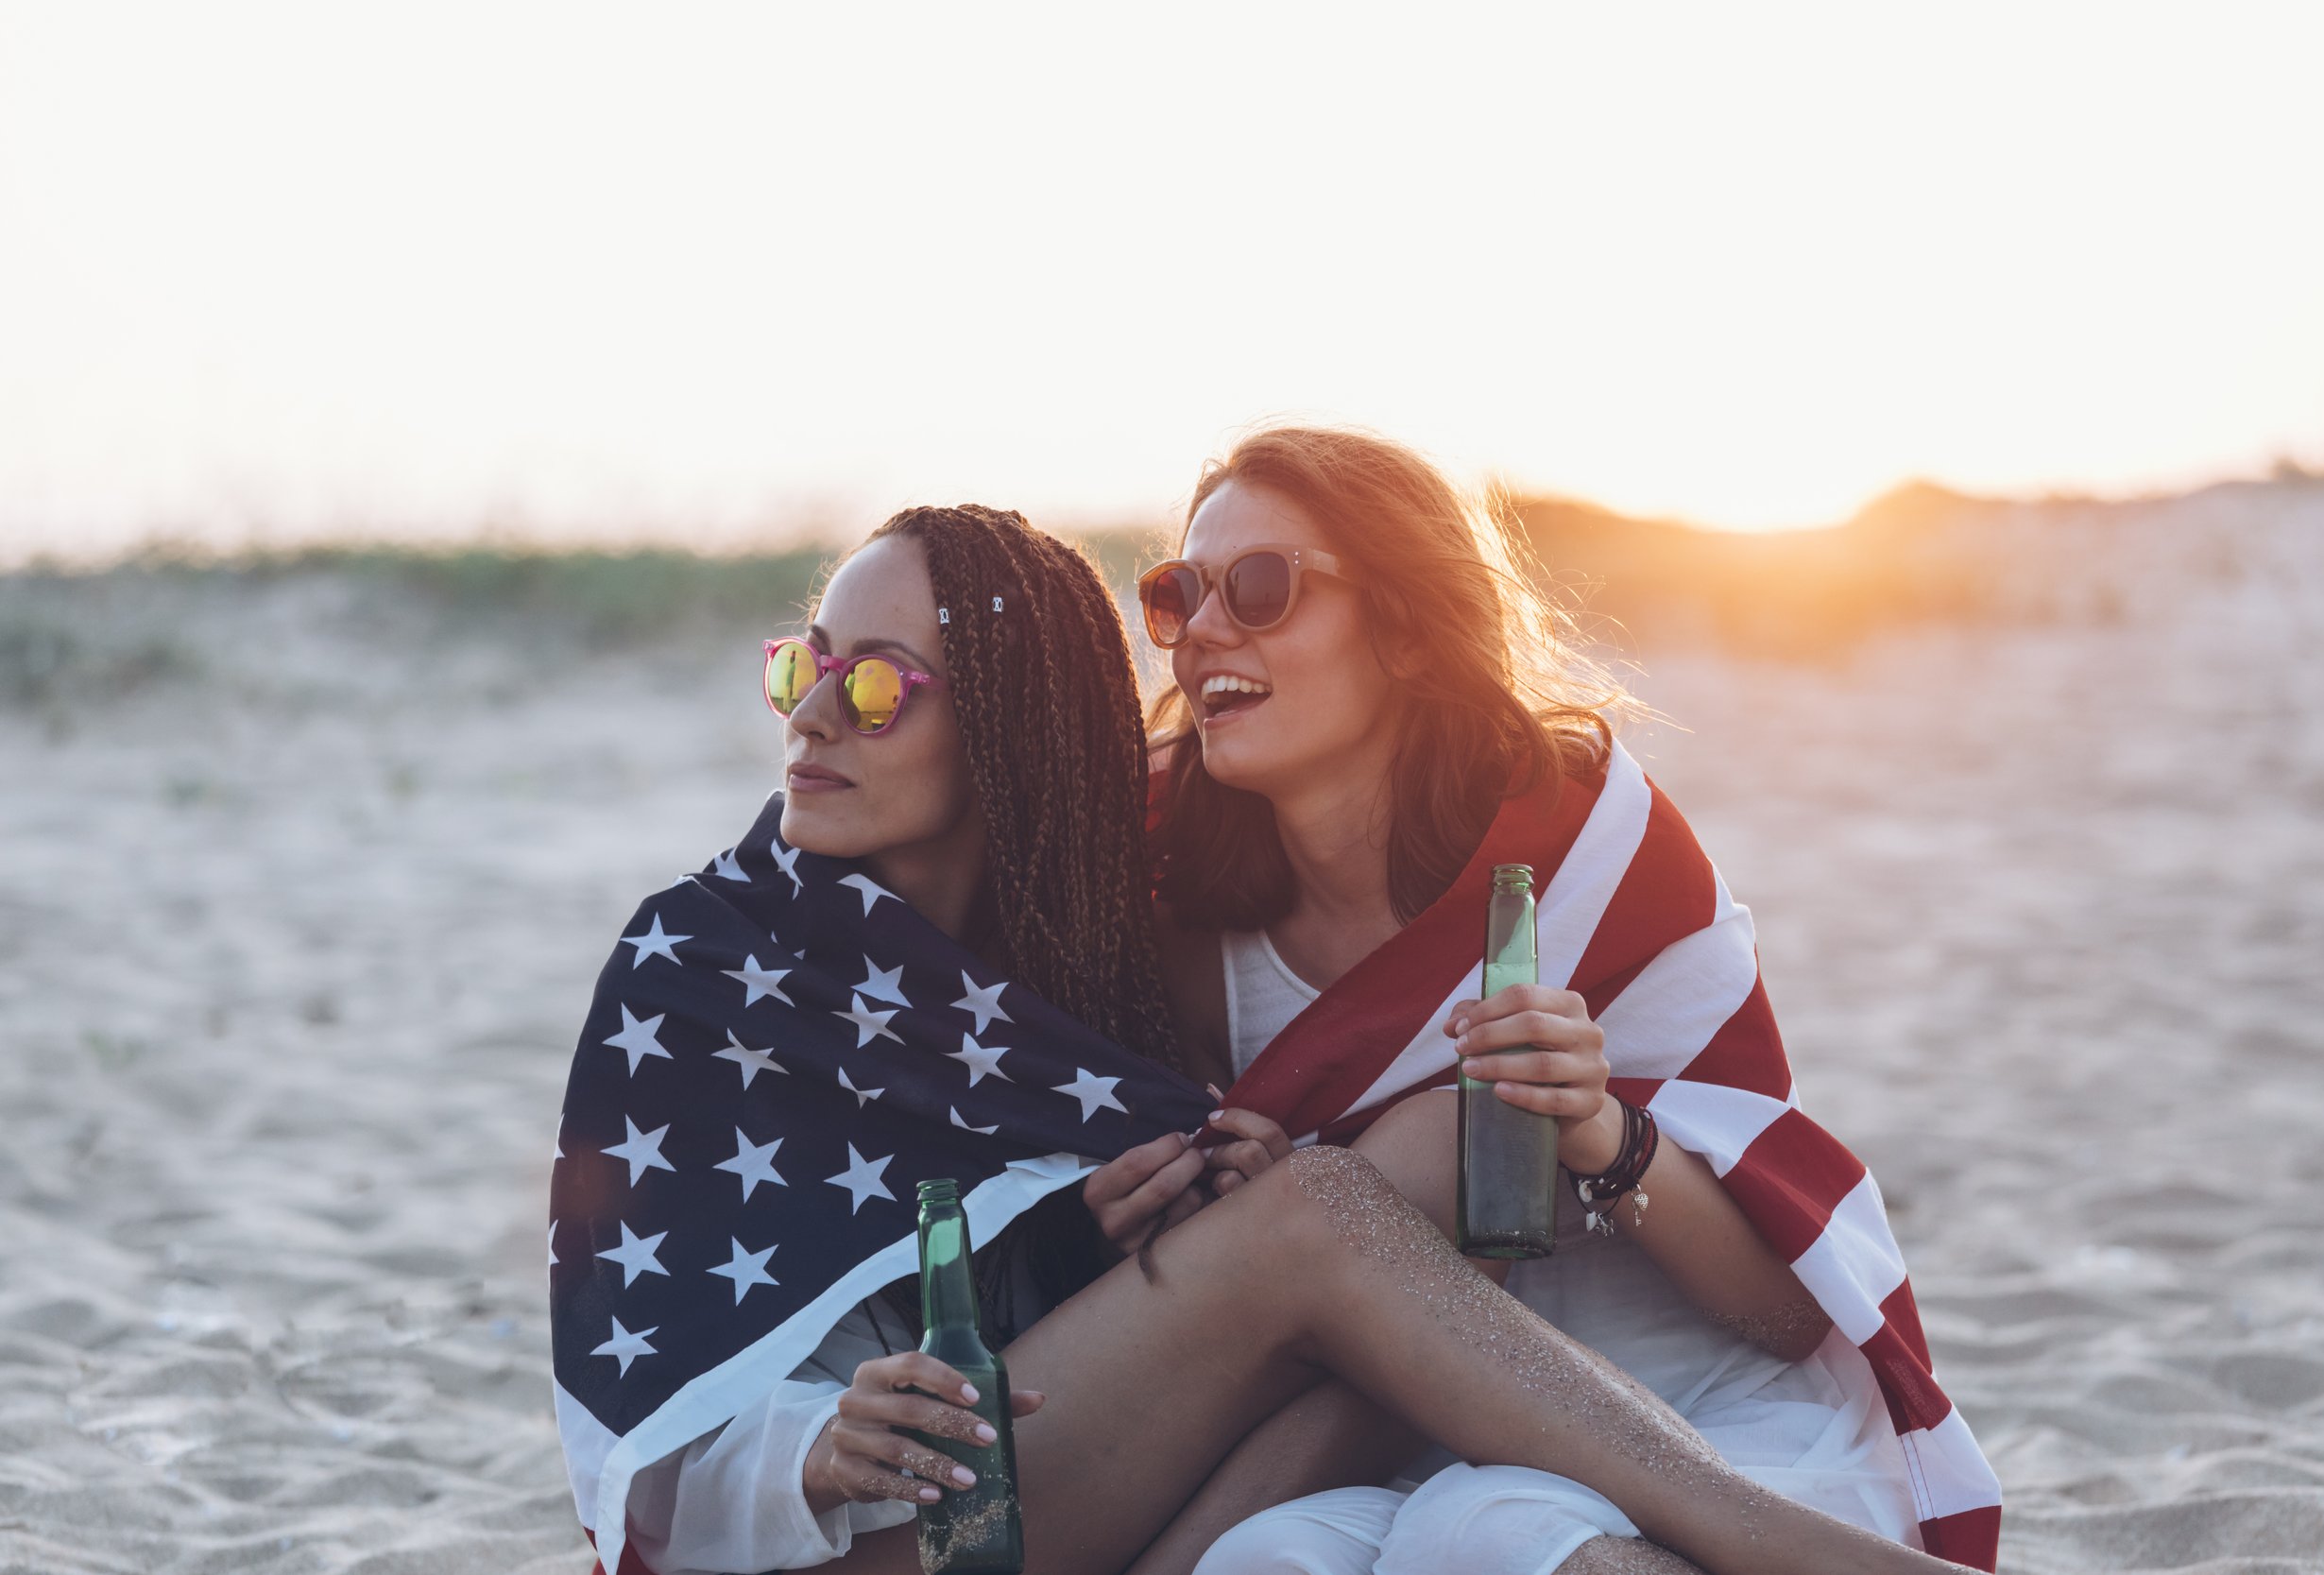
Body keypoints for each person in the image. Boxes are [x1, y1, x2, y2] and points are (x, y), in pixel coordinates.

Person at [549, 503, 1982, 1575]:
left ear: (1004, 727)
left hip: (1062, 1496)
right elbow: (638, 1406)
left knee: (1412, 1184)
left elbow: (1071, 1314)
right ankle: (1796, 1555)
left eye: (869, 682)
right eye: (799, 663)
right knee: (1322, 1214)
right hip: (867, 1544)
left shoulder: (1070, 969)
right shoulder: (721, 964)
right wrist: (807, 1444)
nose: (811, 712)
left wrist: (1108, 1238)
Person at [1083, 427, 2002, 1575]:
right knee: (1264, 1560)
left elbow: (1784, 1313)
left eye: (1258, 588)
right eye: (1177, 594)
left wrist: (1601, 1133)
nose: (1201, 631)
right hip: (1405, 1443)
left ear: (1411, 629)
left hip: (1703, 1422)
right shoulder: (1168, 898)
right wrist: (1234, 1210)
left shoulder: (1590, 857)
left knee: (1496, 1535)